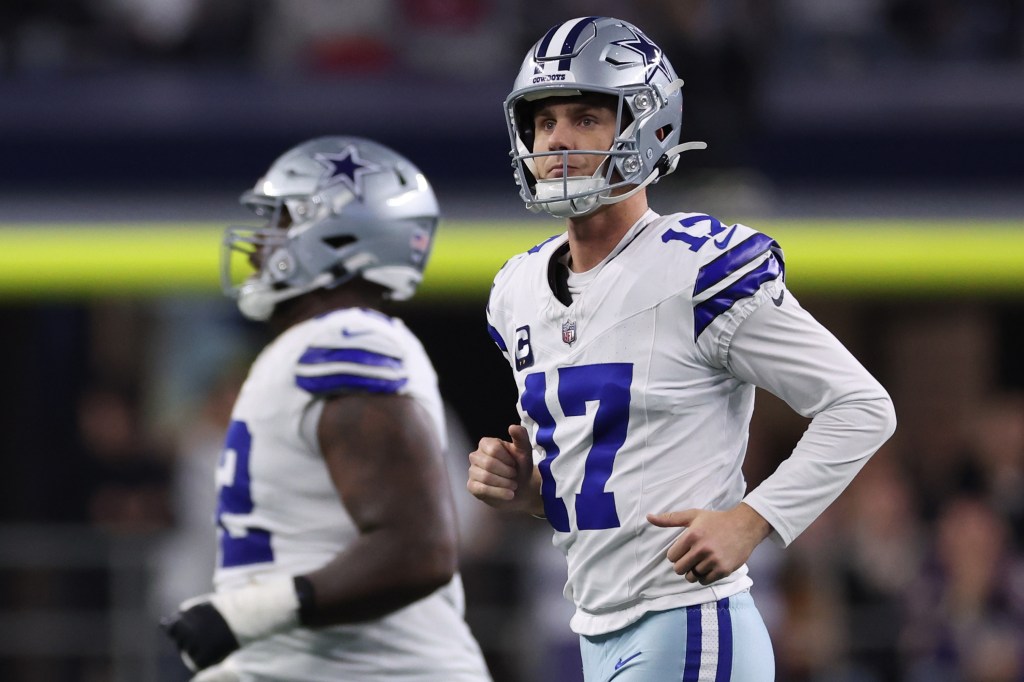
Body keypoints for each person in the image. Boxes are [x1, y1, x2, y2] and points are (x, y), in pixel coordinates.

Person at [467, 16, 897, 681]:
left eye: (586, 118)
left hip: (688, 619)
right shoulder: (517, 291)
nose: (557, 140)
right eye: (544, 121)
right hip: (595, 629)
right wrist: (534, 492)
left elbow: (862, 406)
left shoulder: (698, 268)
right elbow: (619, 481)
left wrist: (753, 520)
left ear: (650, 128)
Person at [161, 136, 492, 682]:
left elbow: (418, 550)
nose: (258, 244)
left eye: (280, 222)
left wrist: (247, 615)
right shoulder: (310, 345)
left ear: (337, 236)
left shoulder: (345, 340)